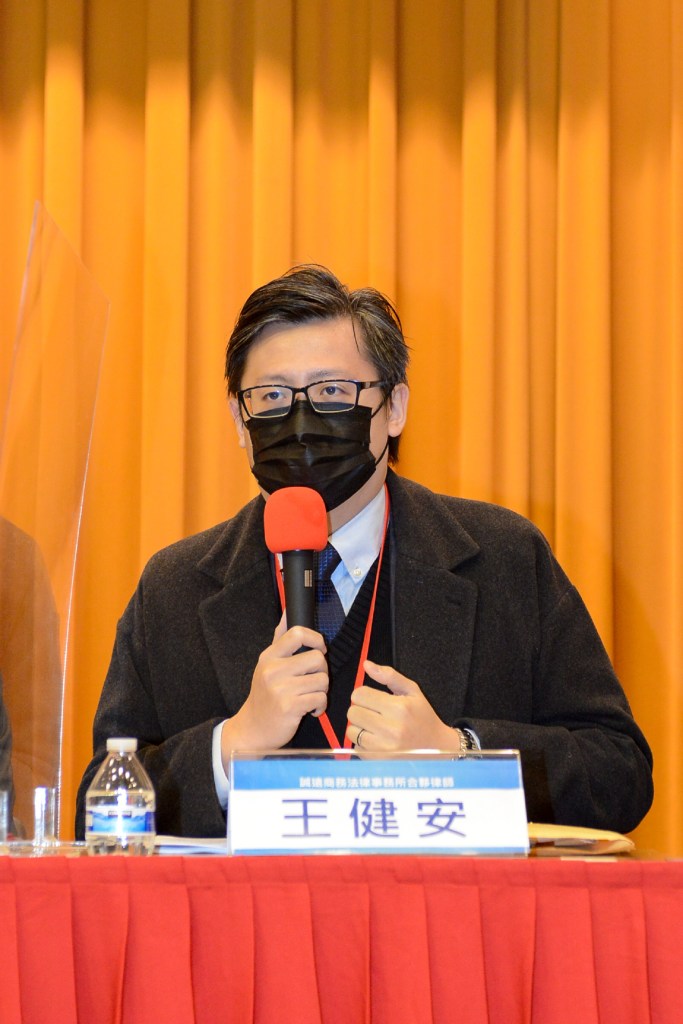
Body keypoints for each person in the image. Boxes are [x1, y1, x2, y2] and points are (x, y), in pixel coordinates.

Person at [75, 265, 653, 839]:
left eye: (332, 392)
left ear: (394, 408)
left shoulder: (505, 559)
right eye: (272, 396)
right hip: (251, 903)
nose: (301, 422)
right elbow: (97, 803)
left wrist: (457, 754)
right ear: (240, 420)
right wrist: (233, 744)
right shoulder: (174, 588)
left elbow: (619, 772)